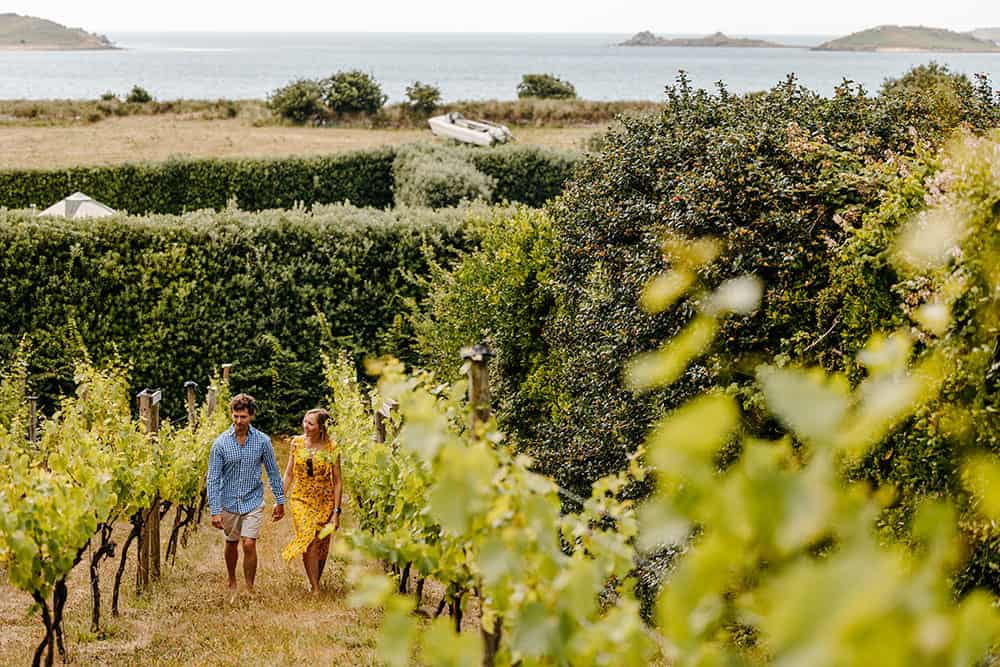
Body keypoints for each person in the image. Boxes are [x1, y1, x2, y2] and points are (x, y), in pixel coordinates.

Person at [206, 393, 286, 597]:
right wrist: (215, 511)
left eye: (243, 417)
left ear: (251, 416)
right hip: (229, 501)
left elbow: (273, 472)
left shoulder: (262, 441)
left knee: (249, 543)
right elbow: (213, 479)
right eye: (235, 416)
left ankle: (249, 587)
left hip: (253, 500)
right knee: (231, 542)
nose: (239, 421)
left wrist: (280, 500)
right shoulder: (220, 444)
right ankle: (232, 578)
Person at [281, 408, 343, 594]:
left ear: (321, 427)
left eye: (310, 423)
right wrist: (279, 498)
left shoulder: (332, 447)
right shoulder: (297, 443)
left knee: (321, 543)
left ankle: (315, 579)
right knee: (308, 539)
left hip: (324, 499)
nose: (305, 426)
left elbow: (338, 481)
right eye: (305, 421)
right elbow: (289, 473)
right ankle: (315, 588)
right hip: (301, 497)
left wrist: (336, 512)